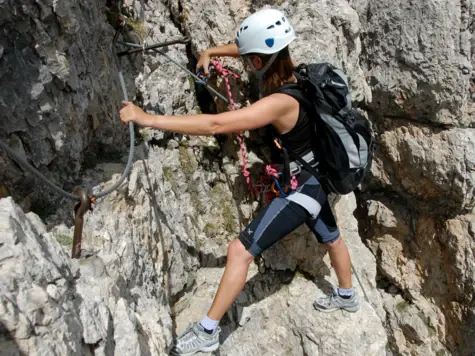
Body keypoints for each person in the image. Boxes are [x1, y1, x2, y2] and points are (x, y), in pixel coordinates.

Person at [120, 8, 360, 356]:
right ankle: (348, 296)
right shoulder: (297, 74)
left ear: (261, 61)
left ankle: (206, 332)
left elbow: (216, 125)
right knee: (331, 237)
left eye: (250, 61)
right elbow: (248, 49)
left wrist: (149, 119)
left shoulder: (280, 103)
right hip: (317, 177)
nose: (246, 65)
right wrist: (212, 52)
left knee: (239, 250)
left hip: (302, 187)